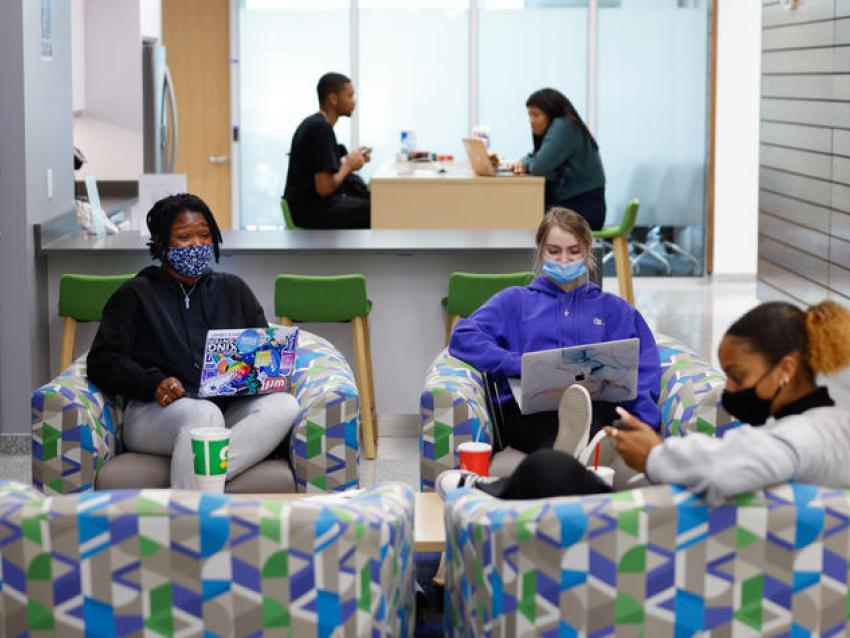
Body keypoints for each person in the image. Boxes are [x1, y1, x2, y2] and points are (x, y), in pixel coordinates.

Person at [439, 300, 850, 506]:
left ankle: (481, 495)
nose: (729, 389)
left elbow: (730, 468)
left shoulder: (793, 440)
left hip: (666, 538)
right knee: (561, 473)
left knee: (551, 470)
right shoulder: (833, 424)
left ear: (785, 369)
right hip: (673, 517)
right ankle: (496, 489)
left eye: (738, 377)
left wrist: (656, 455)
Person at [87, 193, 300, 489]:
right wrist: (153, 383)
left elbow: (261, 351)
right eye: (184, 237)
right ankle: (197, 509)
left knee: (285, 405)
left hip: (229, 409)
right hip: (156, 413)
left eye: (204, 235)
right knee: (204, 413)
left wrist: (269, 375)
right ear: (161, 243)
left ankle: (197, 487)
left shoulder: (233, 290)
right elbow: (102, 360)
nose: (197, 244)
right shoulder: (135, 294)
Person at [449, 207, 661, 459]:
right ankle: (578, 453)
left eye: (574, 252)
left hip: (598, 409)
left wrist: (646, 421)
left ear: (587, 252)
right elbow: (464, 336)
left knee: (602, 420)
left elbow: (644, 364)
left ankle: (581, 450)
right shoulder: (514, 301)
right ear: (540, 251)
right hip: (532, 415)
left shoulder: (612, 308)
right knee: (548, 434)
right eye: (554, 251)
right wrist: (518, 364)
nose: (563, 260)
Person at [283, 72, 371, 229]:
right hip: (311, 210)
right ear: (333, 99)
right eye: (349, 96)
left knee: (373, 206)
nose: (354, 102)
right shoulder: (320, 128)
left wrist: (351, 161)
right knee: (377, 211)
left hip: (312, 206)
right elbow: (324, 188)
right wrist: (349, 165)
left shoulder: (317, 125)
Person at [510, 88, 606, 231]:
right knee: (522, 213)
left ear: (551, 113)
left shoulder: (563, 126)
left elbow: (539, 166)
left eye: (536, 115)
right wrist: (524, 162)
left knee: (521, 215)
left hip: (582, 209)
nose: (531, 121)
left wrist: (527, 163)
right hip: (573, 205)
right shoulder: (565, 125)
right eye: (529, 115)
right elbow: (535, 155)